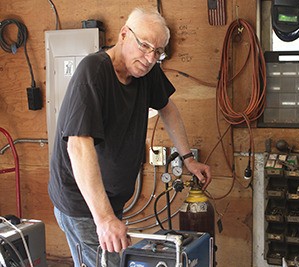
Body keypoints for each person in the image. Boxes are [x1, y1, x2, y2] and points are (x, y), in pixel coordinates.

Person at [48, 7, 212, 267]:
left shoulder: (146, 72)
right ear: (124, 34)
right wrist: (103, 219)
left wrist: (188, 158)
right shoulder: (93, 72)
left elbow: (167, 109)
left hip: (112, 198)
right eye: (144, 46)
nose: (149, 58)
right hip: (81, 202)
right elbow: (78, 146)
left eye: (157, 52)